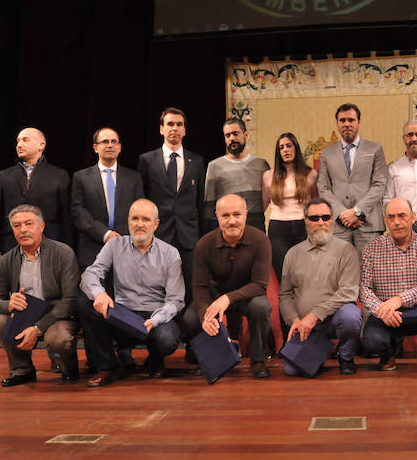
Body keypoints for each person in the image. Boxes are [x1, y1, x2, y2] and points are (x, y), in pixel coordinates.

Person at [78, 199, 185, 386]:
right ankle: (108, 366)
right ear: (128, 221)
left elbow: (176, 300)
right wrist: (100, 294)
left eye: (146, 219)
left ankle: (155, 360)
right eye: (135, 218)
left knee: (166, 339)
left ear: (156, 224)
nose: (140, 224)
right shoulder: (114, 246)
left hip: (155, 316)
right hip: (123, 317)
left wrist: (156, 320)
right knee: (84, 304)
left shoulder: (170, 253)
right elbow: (90, 274)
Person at [0, 205, 79, 386]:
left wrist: (38, 329)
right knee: (1, 322)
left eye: (28, 223)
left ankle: (69, 369)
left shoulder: (63, 253)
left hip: (57, 315)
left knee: (58, 339)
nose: (23, 229)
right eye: (17, 225)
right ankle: (22, 369)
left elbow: (71, 299)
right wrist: (8, 304)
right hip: (25, 314)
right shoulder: (6, 260)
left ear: (41, 226)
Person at [183, 194, 273, 378]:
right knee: (192, 317)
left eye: (237, 215)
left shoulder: (260, 240)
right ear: (217, 216)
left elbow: (260, 285)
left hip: (247, 295)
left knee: (261, 306)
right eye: (225, 216)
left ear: (246, 215)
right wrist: (204, 316)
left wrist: (227, 298)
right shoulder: (204, 244)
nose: (232, 221)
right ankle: (208, 359)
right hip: (215, 294)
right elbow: (199, 287)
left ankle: (258, 360)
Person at [360, 197, 417, 374]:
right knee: (371, 341)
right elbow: (364, 289)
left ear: (413, 217)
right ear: (385, 221)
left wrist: (400, 299)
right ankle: (388, 353)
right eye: (391, 217)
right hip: (387, 316)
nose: (397, 222)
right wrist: (381, 310)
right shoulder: (371, 249)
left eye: (402, 216)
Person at [278, 198, 362, 375]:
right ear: (305, 221)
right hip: (305, 326)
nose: (321, 222)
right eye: (314, 218)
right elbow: (285, 295)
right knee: (292, 370)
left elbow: (348, 293)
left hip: (333, 320)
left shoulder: (347, 250)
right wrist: (294, 320)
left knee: (351, 316)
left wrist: (315, 315)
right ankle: (319, 354)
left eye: (325, 217)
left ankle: (345, 357)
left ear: (332, 219)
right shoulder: (293, 253)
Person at [138, 107, 205, 299]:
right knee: (158, 288)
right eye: (170, 124)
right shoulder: (146, 160)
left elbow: (200, 201)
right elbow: (143, 200)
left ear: (184, 130)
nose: (174, 128)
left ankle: (191, 327)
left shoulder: (197, 161)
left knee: (191, 289)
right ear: (161, 129)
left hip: (189, 237)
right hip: (159, 235)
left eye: (179, 125)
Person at [0, 127, 72, 266]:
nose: (19, 145)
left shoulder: (59, 175)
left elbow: (67, 217)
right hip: (11, 247)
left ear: (41, 145)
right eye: (18, 141)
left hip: (50, 247)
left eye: (25, 140)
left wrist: (69, 250)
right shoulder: (4, 176)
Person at [316, 103, 388, 256]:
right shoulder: (326, 153)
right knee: (340, 272)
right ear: (337, 123)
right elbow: (323, 188)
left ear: (359, 122)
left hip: (369, 224)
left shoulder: (375, 149)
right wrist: (343, 213)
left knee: (370, 273)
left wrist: (357, 211)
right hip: (339, 224)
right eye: (342, 120)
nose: (347, 124)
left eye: (351, 120)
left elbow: (379, 185)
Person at [71, 128, 144, 270]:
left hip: (127, 247)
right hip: (92, 248)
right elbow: (78, 211)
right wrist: (105, 234)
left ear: (119, 147)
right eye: (105, 141)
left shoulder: (134, 178)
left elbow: (139, 211)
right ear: (95, 147)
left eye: (113, 142)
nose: (110, 145)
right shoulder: (81, 177)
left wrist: (119, 236)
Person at [261, 132, 318, 283]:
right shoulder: (268, 176)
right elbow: (262, 205)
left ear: (295, 148)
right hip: (278, 229)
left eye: (289, 146)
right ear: (278, 152)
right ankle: (286, 306)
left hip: (303, 227)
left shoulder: (310, 174)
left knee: (305, 275)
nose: (285, 150)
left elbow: (316, 204)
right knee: (284, 274)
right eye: (281, 147)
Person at [203, 118, 270, 231]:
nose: (232, 138)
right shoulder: (214, 166)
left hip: (256, 227)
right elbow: (209, 206)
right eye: (227, 135)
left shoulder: (261, 165)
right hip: (228, 229)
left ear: (246, 135)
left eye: (235, 134)